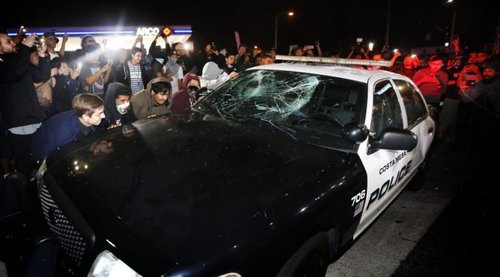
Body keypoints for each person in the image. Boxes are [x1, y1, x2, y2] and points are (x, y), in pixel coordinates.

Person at [0, 33, 46, 177]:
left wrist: (42, 56)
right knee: (24, 165)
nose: (13, 43)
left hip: (35, 117)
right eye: (8, 41)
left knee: (42, 159)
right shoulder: (4, 64)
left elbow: (41, 76)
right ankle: (23, 195)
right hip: (18, 122)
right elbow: (15, 73)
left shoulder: (18, 59)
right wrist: (25, 47)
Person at [31, 93, 105, 161]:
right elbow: (45, 155)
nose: (103, 116)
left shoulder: (81, 114)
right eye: (99, 114)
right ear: (85, 117)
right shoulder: (65, 134)